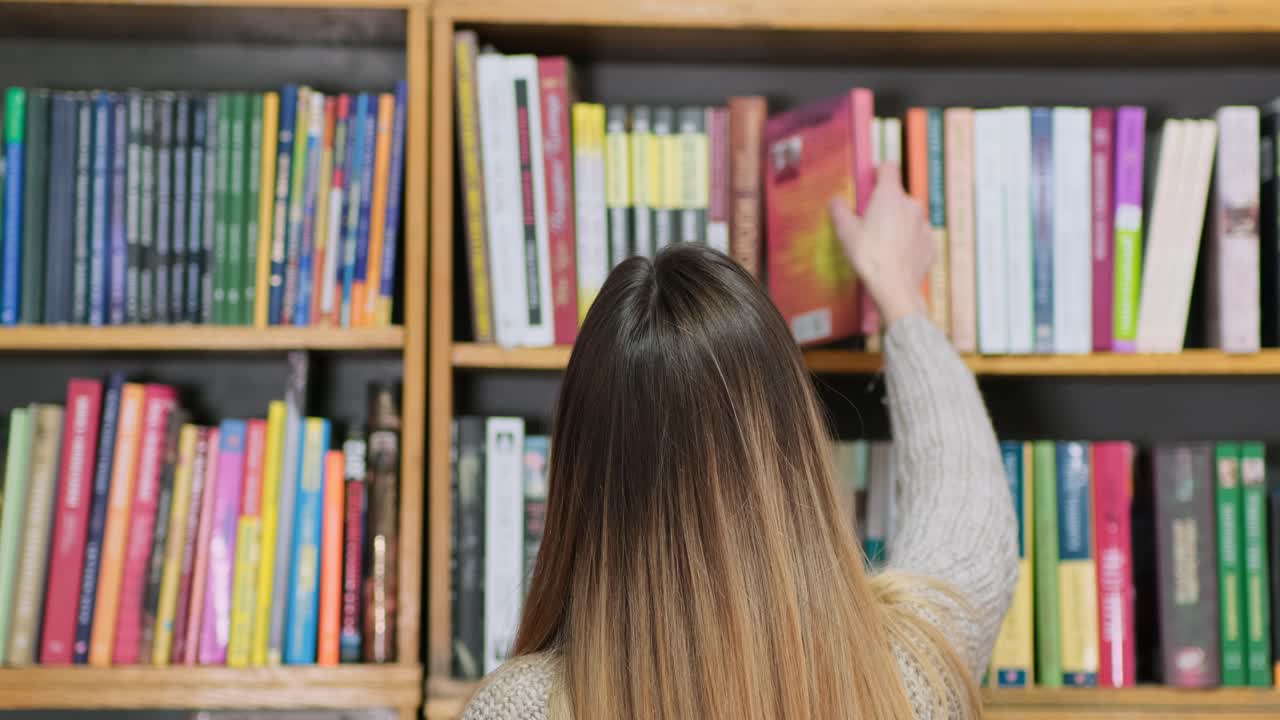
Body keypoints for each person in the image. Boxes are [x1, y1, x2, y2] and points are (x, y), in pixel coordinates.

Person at [462, 164, 1018, 719]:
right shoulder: (903, 674)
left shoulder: (520, 708)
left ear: (579, 478)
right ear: (796, 452)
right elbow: (970, 514)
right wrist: (896, 290)